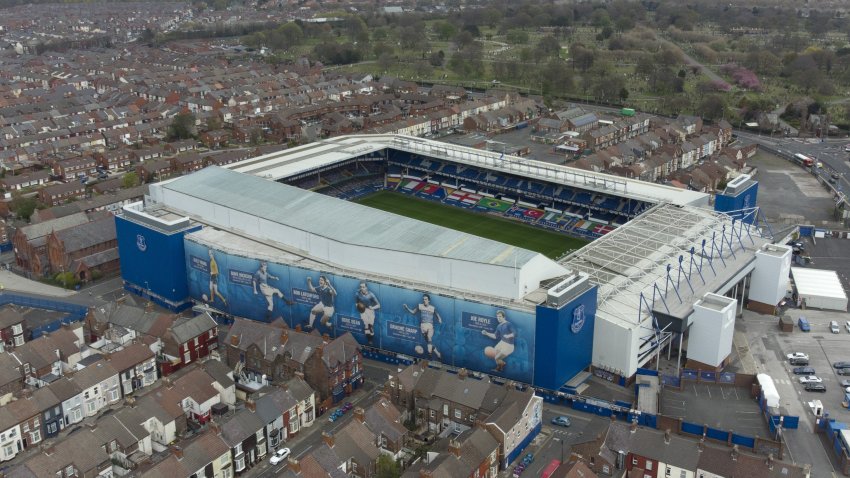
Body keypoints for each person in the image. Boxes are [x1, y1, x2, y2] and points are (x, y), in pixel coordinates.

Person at [403, 294, 442, 360]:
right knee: (429, 343)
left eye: (426, 299)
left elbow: (437, 314)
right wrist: (407, 308)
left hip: (430, 325)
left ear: (429, 300)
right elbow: (413, 312)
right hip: (423, 326)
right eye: (423, 299)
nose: (424, 300)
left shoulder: (432, 308)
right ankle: (438, 354)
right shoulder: (420, 306)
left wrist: (439, 319)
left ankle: (429, 354)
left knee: (429, 337)